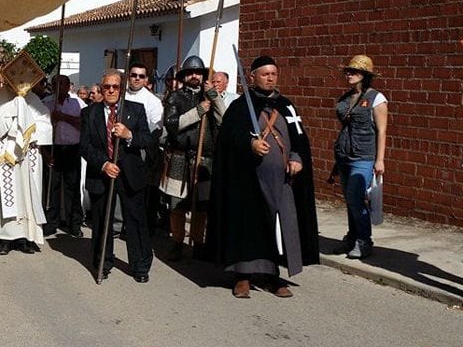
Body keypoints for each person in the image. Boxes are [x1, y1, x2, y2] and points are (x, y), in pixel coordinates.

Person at [205, 55, 319, 299]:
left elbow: (300, 138)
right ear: (252, 77)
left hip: (283, 182)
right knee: (249, 227)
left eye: (274, 74)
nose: (270, 78)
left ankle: (272, 275)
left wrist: (297, 157)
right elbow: (228, 140)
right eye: (265, 74)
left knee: (280, 228)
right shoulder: (239, 107)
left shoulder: (287, 105)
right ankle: (242, 276)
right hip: (249, 180)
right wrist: (250, 144)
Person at [80, 69, 154, 282]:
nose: (111, 90)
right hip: (101, 174)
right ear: (102, 88)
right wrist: (103, 164)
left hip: (130, 173)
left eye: (115, 86)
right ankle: (103, 261)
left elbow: (147, 139)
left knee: (135, 220)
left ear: (122, 89)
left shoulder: (135, 110)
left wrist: (128, 135)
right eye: (107, 87)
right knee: (102, 220)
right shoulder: (89, 113)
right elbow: (85, 146)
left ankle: (140, 266)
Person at [160, 56, 225, 261]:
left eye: (197, 72)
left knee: (202, 206)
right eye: (190, 72)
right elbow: (172, 124)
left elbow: (224, 119)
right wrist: (198, 111)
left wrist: (213, 97)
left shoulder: (210, 96)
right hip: (180, 156)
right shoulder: (175, 97)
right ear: (184, 76)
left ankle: (198, 241)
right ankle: (178, 241)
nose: (194, 75)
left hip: (204, 159)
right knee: (177, 204)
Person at [0, 65, 52, 255]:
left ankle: (26, 238)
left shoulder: (33, 99)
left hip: (28, 155)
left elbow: (45, 124)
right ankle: (5, 238)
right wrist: (14, 108)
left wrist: (29, 130)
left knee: (28, 196)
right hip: (6, 153)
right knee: (6, 194)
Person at [331, 55, 388, 259]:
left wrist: (379, 159)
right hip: (344, 154)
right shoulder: (345, 98)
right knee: (350, 200)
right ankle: (352, 237)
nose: (349, 74)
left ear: (364, 75)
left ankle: (364, 241)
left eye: (354, 71)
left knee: (356, 198)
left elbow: (381, 131)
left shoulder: (376, 98)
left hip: (364, 156)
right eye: (348, 71)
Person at [43, 75, 86, 237]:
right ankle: (51, 222)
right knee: (52, 188)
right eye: (55, 84)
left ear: (69, 86)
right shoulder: (46, 103)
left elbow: (84, 123)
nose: (58, 86)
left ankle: (74, 223)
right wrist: (45, 153)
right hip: (53, 148)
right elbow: (39, 130)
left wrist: (64, 117)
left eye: (62, 83)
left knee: (72, 187)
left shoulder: (77, 103)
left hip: (72, 149)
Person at [124, 63, 164, 237]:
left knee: (137, 191)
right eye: (134, 75)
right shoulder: (120, 95)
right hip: (119, 147)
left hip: (140, 150)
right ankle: (120, 223)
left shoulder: (152, 101)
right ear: (129, 76)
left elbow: (155, 129)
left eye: (141, 76)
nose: (137, 79)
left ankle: (136, 227)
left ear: (146, 79)